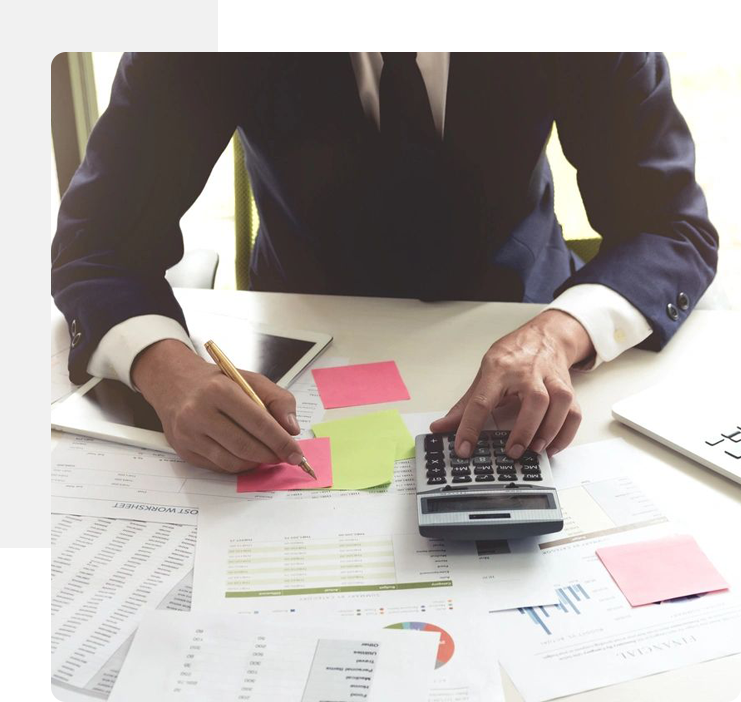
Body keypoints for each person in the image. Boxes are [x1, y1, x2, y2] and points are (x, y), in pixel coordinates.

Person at [51, 53, 718, 474]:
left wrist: (559, 333)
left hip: (525, 323)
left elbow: (669, 226)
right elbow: (97, 244)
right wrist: (166, 370)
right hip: (310, 347)